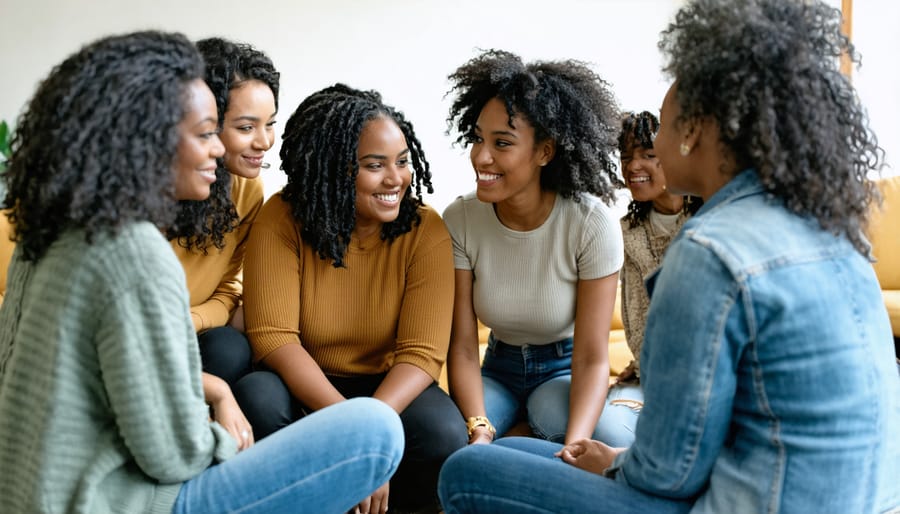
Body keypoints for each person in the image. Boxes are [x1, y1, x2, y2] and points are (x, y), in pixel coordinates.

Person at [438, 0, 900, 512]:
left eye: (660, 125)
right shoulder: (834, 232)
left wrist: (618, 463)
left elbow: (669, 472)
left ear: (695, 131)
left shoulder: (707, 252)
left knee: (468, 469)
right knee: (517, 451)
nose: (651, 143)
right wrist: (612, 458)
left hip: (738, 503)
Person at [0, 31, 403, 514]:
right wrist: (227, 443)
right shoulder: (135, 252)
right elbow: (172, 454)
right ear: (148, 138)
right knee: (374, 430)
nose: (218, 151)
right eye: (206, 132)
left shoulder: (49, 229)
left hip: (33, 491)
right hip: (119, 501)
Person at [233, 84, 467, 514]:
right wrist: (351, 433)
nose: (395, 179)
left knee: (443, 433)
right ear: (334, 169)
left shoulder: (426, 231)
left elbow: (422, 354)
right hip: (302, 380)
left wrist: (369, 433)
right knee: (257, 400)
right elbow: (273, 337)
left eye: (402, 162)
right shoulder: (280, 218)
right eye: (374, 166)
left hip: (386, 387)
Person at [442, 49, 624, 446]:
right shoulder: (460, 220)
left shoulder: (590, 224)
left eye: (502, 143)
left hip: (564, 368)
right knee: (450, 439)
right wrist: (478, 430)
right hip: (495, 368)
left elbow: (593, 359)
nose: (481, 156)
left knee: (588, 437)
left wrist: (575, 448)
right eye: (477, 138)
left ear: (545, 152)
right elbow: (463, 348)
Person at [167, 37, 279, 388]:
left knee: (230, 348)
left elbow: (230, 289)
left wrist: (189, 320)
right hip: (125, 331)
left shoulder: (247, 191)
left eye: (270, 123)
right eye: (246, 127)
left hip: (191, 330)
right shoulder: (135, 190)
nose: (264, 142)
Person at [599, 111, 703, 447]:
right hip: (650, 379)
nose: (632, 167)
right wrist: (644, 366)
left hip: (705, 379)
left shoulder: (711, 218)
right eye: (626, 157)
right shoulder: (625, 233)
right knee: (608, 430)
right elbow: (636, 316)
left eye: (648, 155)